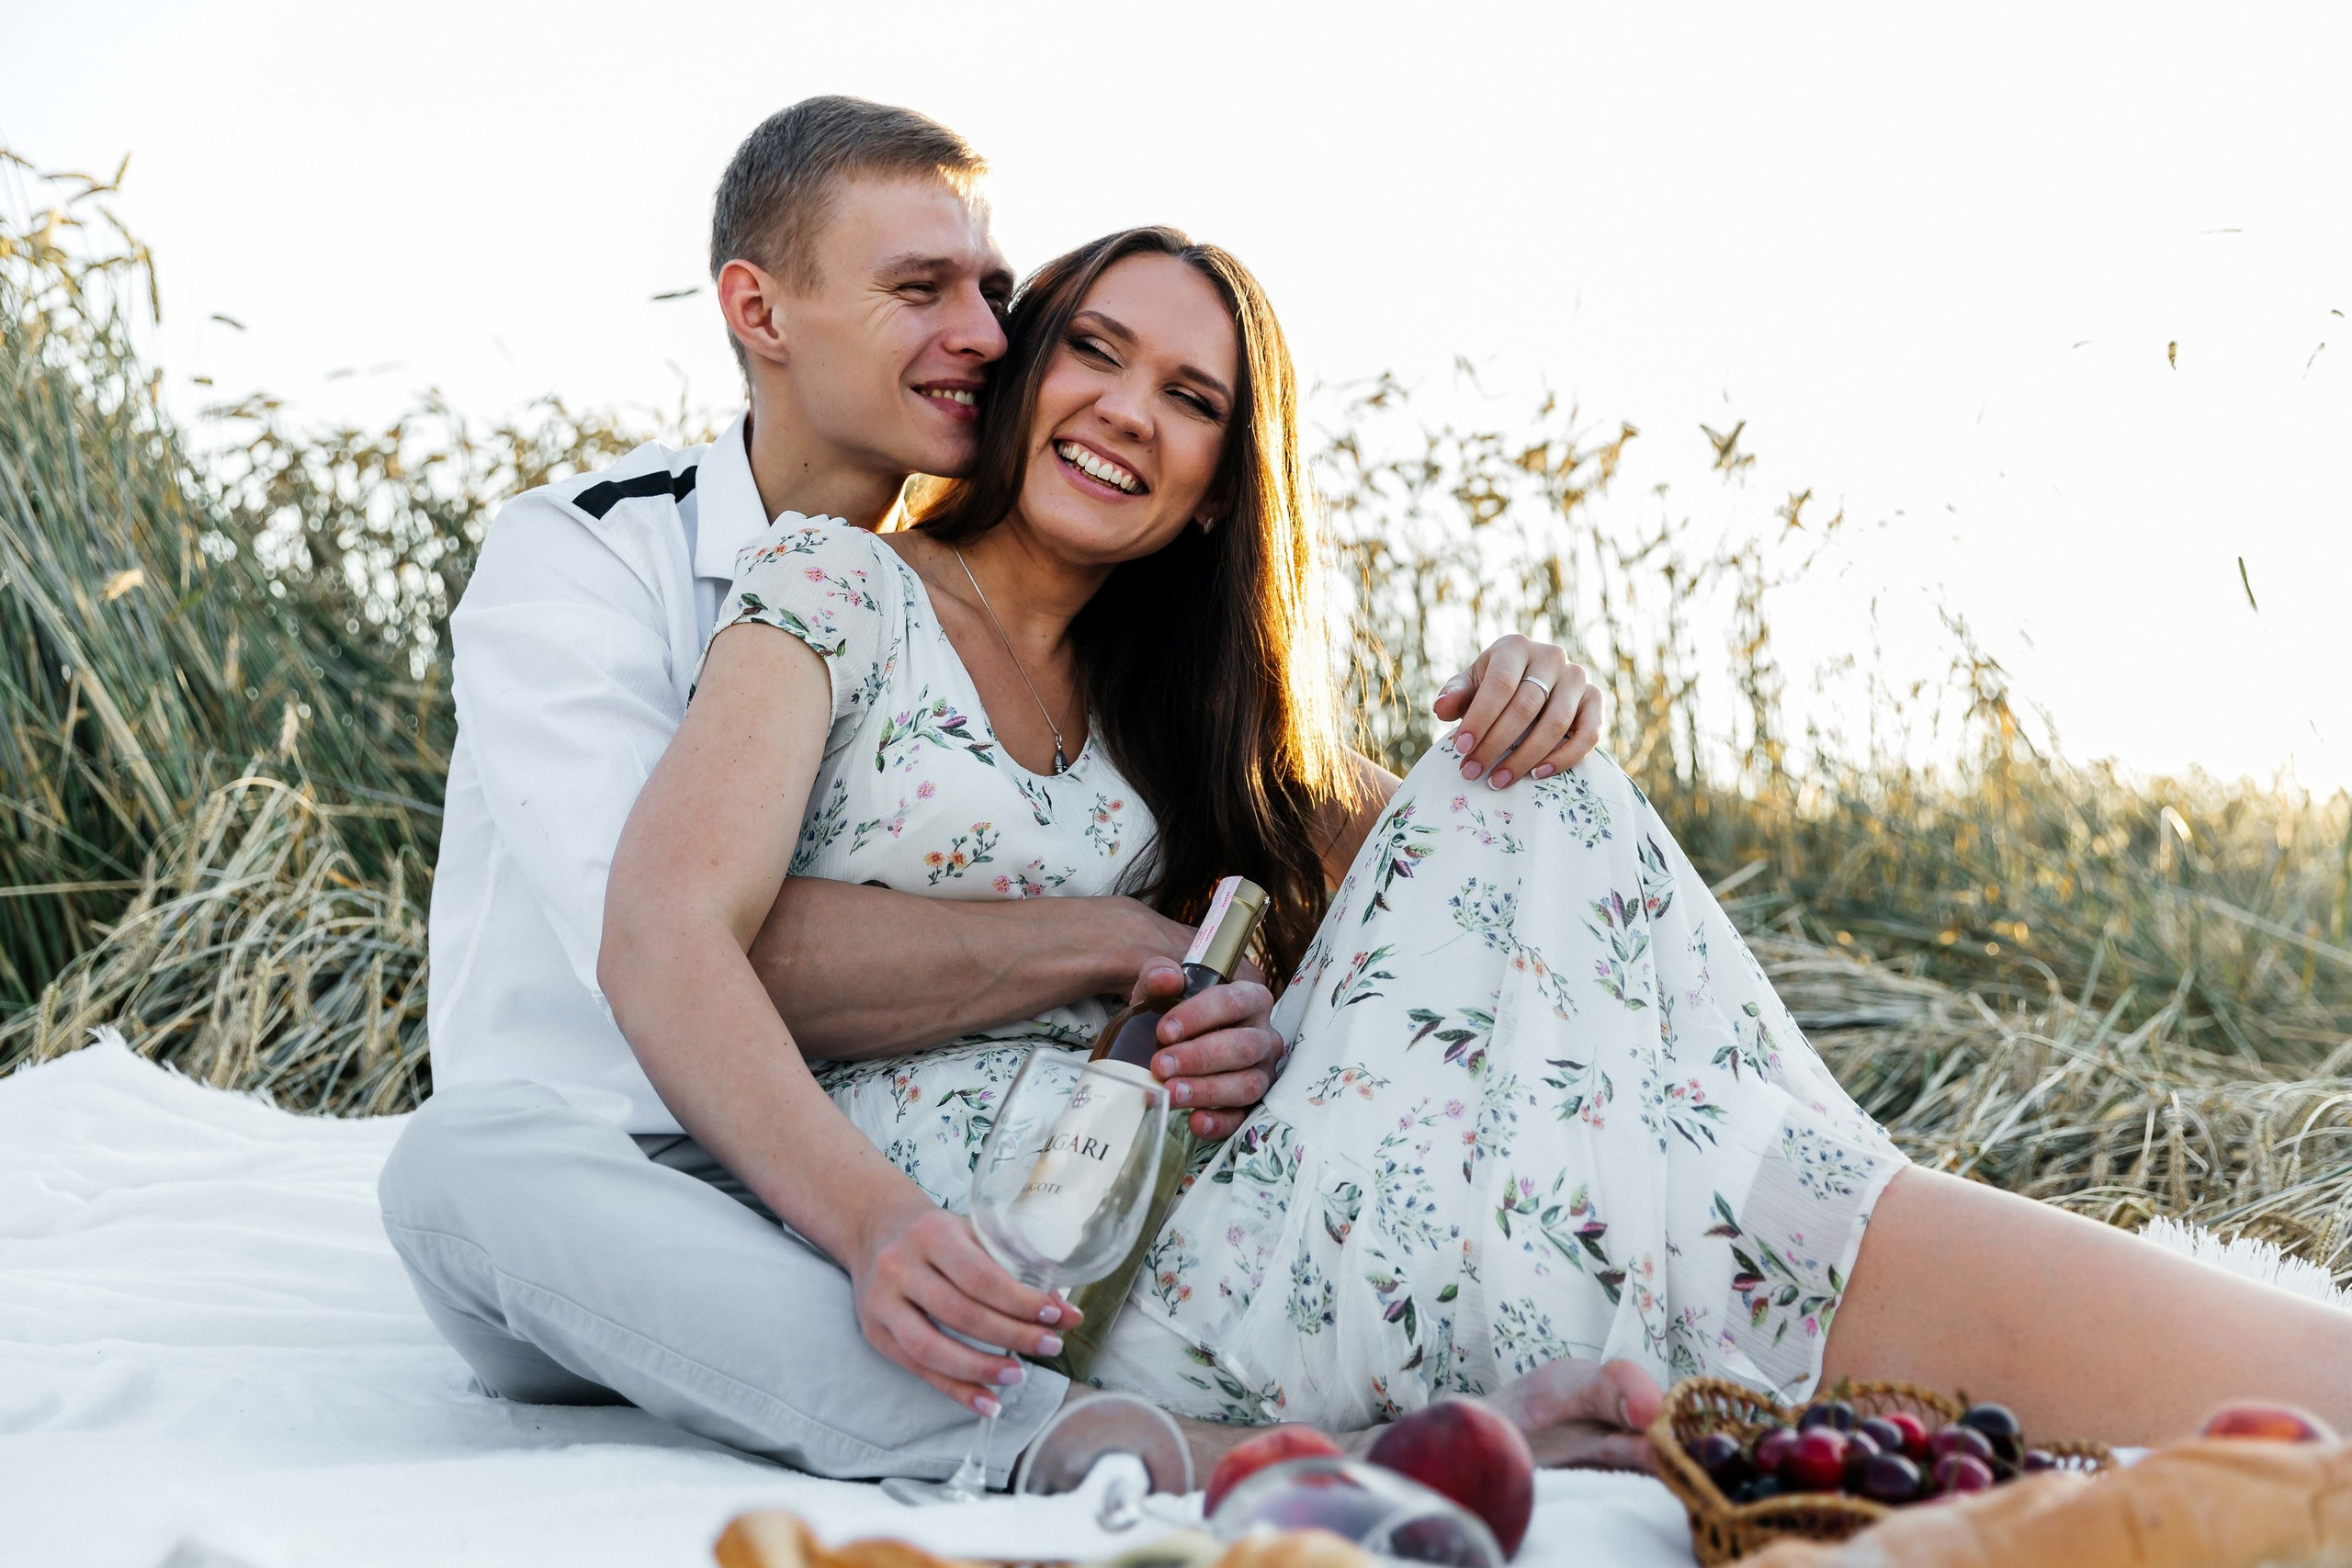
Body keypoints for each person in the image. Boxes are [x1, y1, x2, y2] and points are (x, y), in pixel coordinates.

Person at [601, 220, 2352, 1456]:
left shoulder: (1175, 715)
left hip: (1249, 1171)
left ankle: (2264, 1379)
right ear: (1028, 366)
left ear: (1225, 480)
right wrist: (896, 1207)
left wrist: (1540, 692)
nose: (1133, 411)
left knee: (1537, 801)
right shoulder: (836, 585)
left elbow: (1467, 877)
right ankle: (2290, 1384)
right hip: (1062, 1256)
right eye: (1098, 350)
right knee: (1671, 1166)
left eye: (1196, 400)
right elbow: (680, 937)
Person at [379, 96, 1640, 1489]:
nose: (985, 332)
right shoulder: (586, 563)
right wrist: (1106, 950)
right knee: (462, 1173)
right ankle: (1091, 1448)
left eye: (990, 288)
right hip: (644, 1185)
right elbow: (673, 939)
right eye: (919, 289)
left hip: (921, 1189)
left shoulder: (1025, 612)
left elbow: (1348, 818)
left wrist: (1525, 719)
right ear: (760, 310)